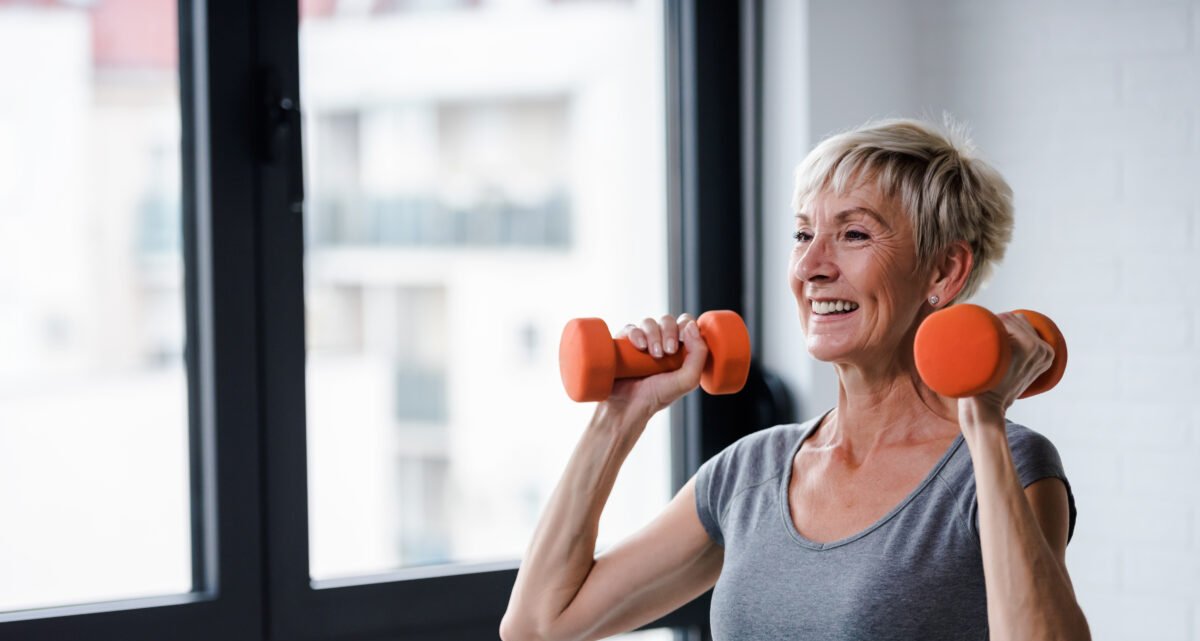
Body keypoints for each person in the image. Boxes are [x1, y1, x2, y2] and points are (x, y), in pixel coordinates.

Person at [500, 118, 1090, 641]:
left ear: (944, 270)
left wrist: (982, 419)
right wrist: (618, 416)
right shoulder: (748, 473)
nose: (810, 267)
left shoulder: (1003, 464)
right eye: (804, 235)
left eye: (854, 235)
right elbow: (538, 625)